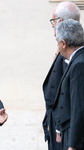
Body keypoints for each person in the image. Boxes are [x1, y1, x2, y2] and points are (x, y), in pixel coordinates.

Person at [42, 1, 80, 150]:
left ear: (61, 22)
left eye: (53, 21)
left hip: (65, 128)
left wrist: (58, 127)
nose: (52, 25)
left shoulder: (73, 53)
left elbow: (70, 99)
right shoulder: (65, 48)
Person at [53, 19, 84, 150]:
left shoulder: (79, 64)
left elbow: (79, 107)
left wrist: (73, 145)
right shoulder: (77, 60)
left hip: (76, 137)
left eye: (58, 42)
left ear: (64, 43)